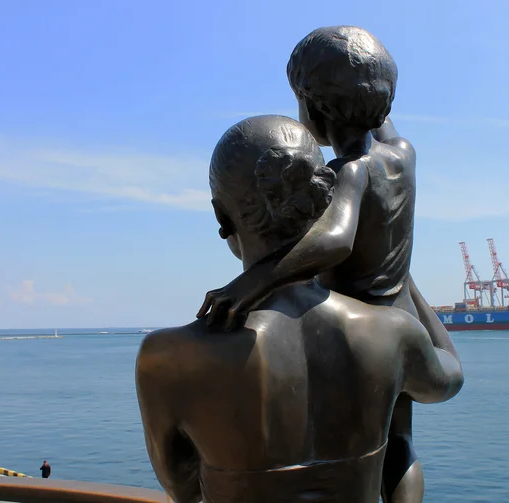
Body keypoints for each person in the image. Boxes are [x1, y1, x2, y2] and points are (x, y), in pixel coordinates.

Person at [136, 115, 464, 503]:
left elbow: (181, 486)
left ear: (222, 218)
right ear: (323, 203)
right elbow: (450, 376)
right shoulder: (393, 332)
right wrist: (400, 273)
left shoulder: (169, 358)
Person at [196, 26, 461, 503]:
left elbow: (335, 240)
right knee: (398, 442)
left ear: (313, 109)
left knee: (353, 439)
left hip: (358, 327)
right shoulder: (404, 154)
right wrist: (354, 77)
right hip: (400, 314)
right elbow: (376, 106)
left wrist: (252, 282)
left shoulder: (348, 172)